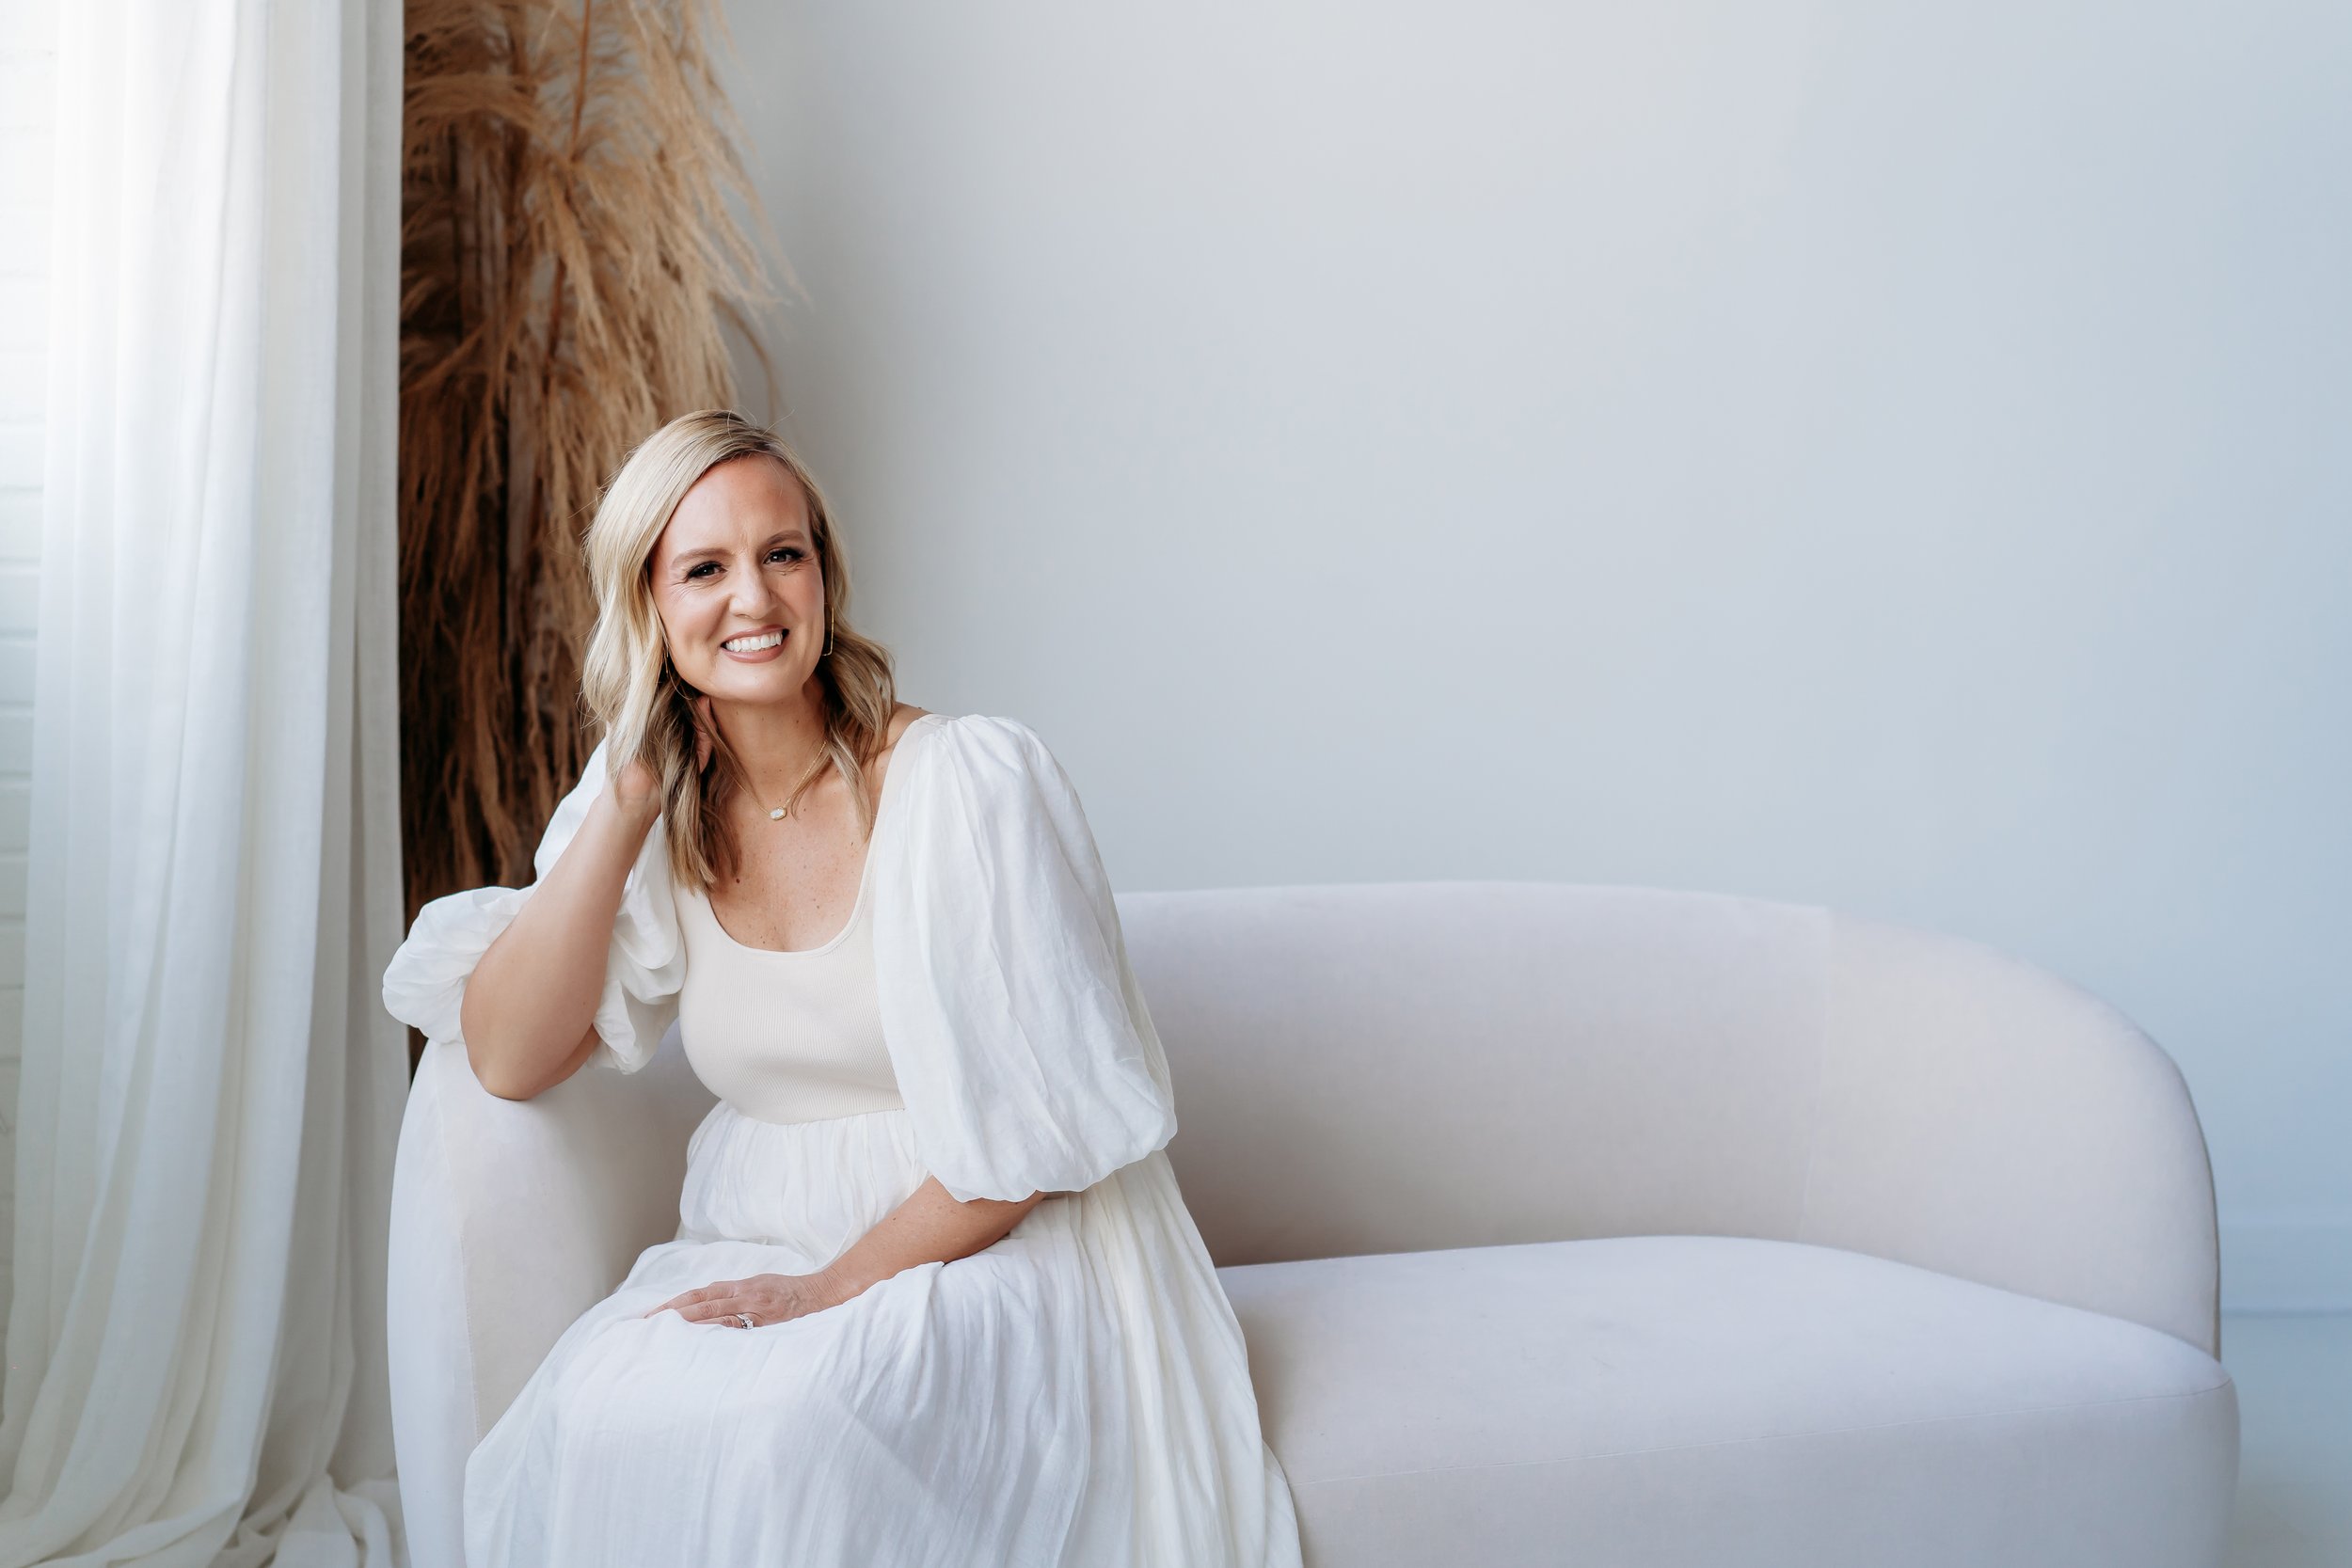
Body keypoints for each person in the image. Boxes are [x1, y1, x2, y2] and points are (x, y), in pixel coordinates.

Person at [380, 409, 1305, 1567]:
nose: (753, 597)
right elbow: (509, 1054)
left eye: (783, 552)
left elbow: (1025, 1148)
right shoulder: (650, 806)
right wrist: (627, 800)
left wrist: (832, 1288)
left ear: (824, 573)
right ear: (648, 602)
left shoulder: (964, 783)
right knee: (593, 1415)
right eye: (703, 568)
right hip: (752, 1237)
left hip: (985, 1242)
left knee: (799, 1428)